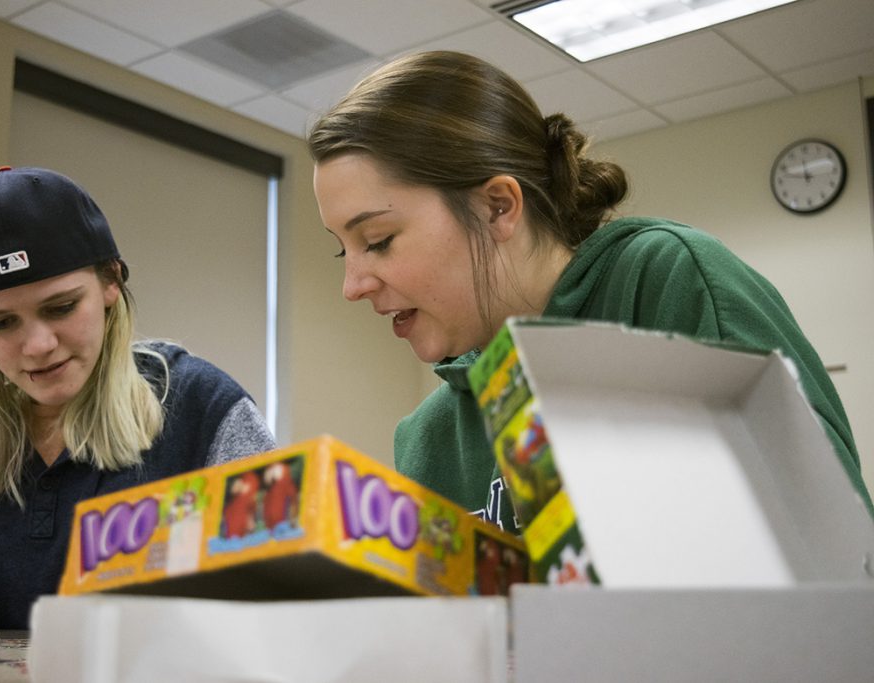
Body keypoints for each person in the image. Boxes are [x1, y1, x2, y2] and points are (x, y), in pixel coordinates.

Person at [307, 50, 873, 534]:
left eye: (377, 240)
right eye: (342, 249)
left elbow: (830, 557)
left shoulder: (663, 285)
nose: (353, 286)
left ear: (496, 206)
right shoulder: (428, 440)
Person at [0, 167, 275, 631]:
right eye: (0, 323)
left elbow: (285, 589)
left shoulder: (202, 407)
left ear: (111, 282)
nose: (38, 345)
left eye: (62, 307)